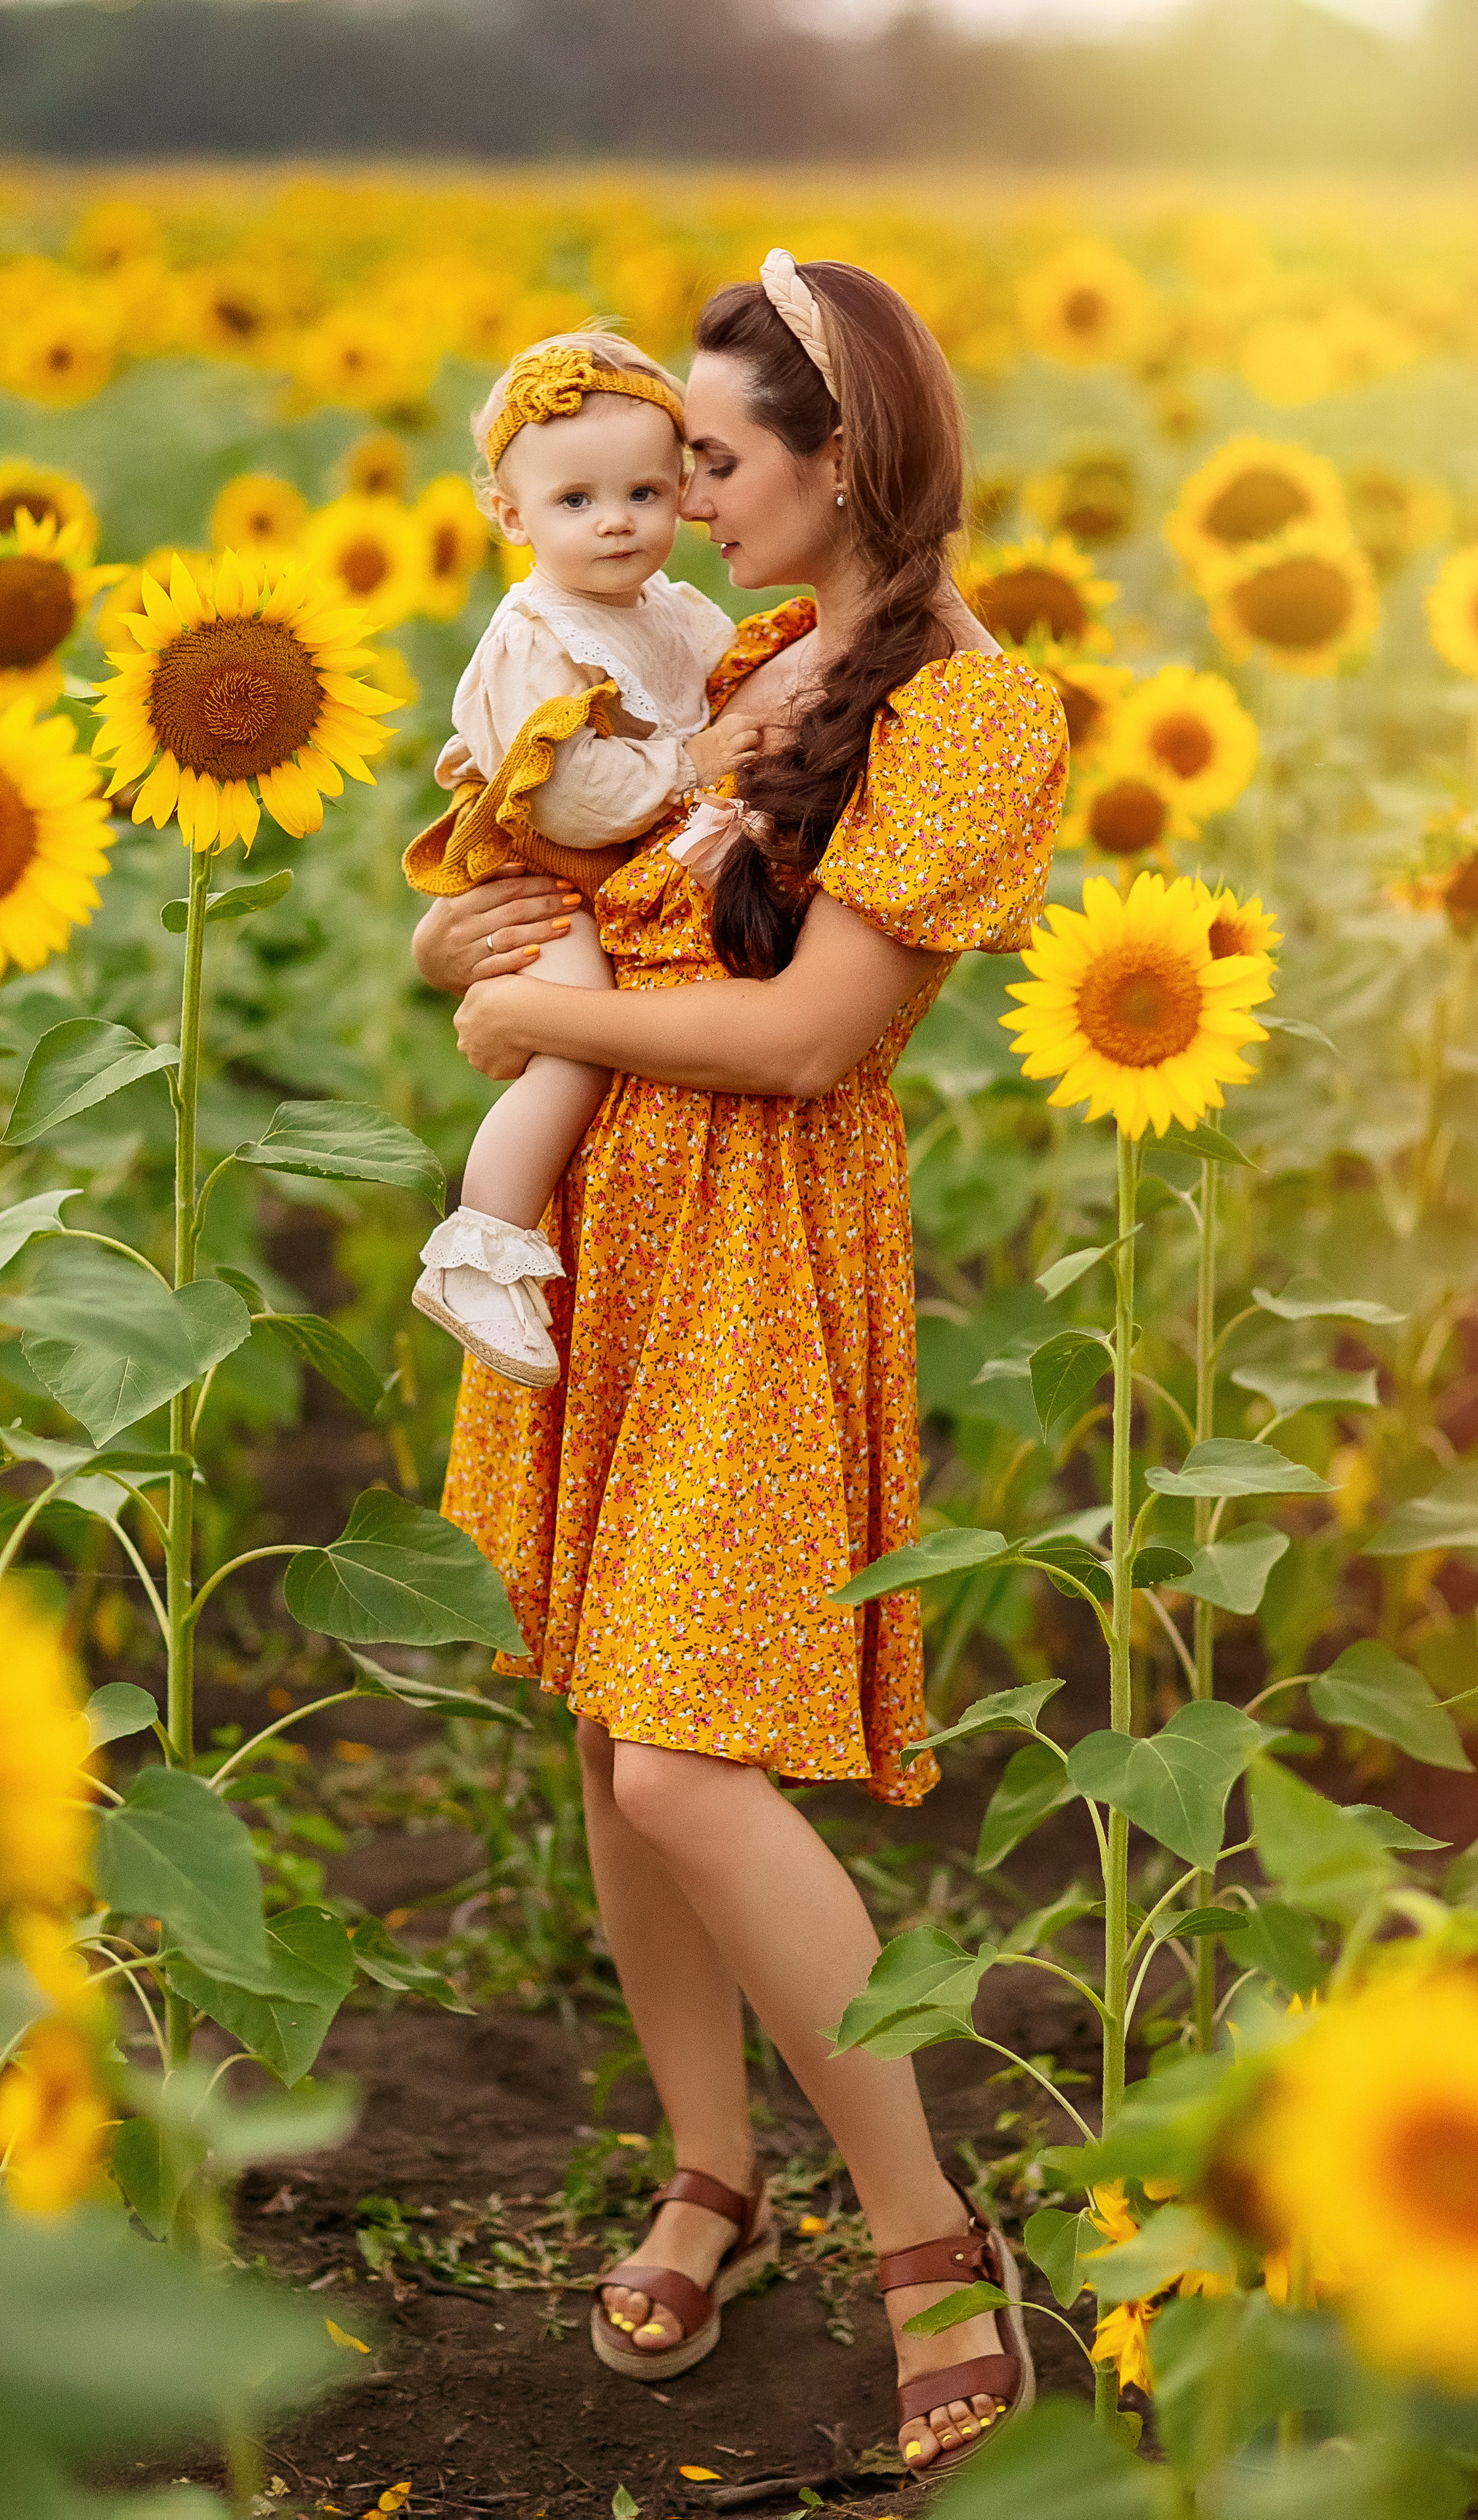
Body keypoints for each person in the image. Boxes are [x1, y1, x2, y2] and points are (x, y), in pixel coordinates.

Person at [410, 252, 1067, 2477]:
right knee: (621, 1741)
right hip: (619, 1225)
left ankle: (921, 2232)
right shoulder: (760, 652)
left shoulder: (976, 714)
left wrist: (534, 1024)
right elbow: (592, 896)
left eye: (713, 459)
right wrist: (465, 940)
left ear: (842, 458)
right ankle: (720, 2171)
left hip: (763, 1242)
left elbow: (806, 1036)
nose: (679, 501)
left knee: (697, 1762)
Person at [405, 329, 755, 1388]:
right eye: (575, 502)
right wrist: (694, 763)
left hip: (604, 877)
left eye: (645, 492)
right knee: (573, 1051)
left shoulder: (671, 613)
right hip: (547, 875)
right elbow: (570, 792)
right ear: (510, 516)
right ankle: (480, 1247)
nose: (617, 520)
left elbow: (717, 694)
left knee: (585, 1043)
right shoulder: (537, 636)